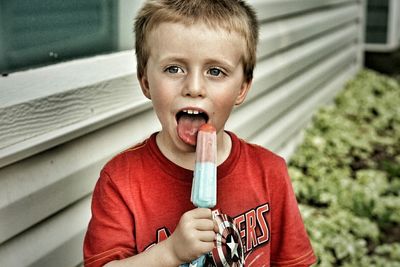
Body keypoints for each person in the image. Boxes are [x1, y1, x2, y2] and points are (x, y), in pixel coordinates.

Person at [83, 0, 317, 266]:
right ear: (146, 81)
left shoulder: (269, 172)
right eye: (174, 69)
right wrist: (169, 253)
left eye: (215, 71)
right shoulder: (121, 181)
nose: (194, 87)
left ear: (242, 88)